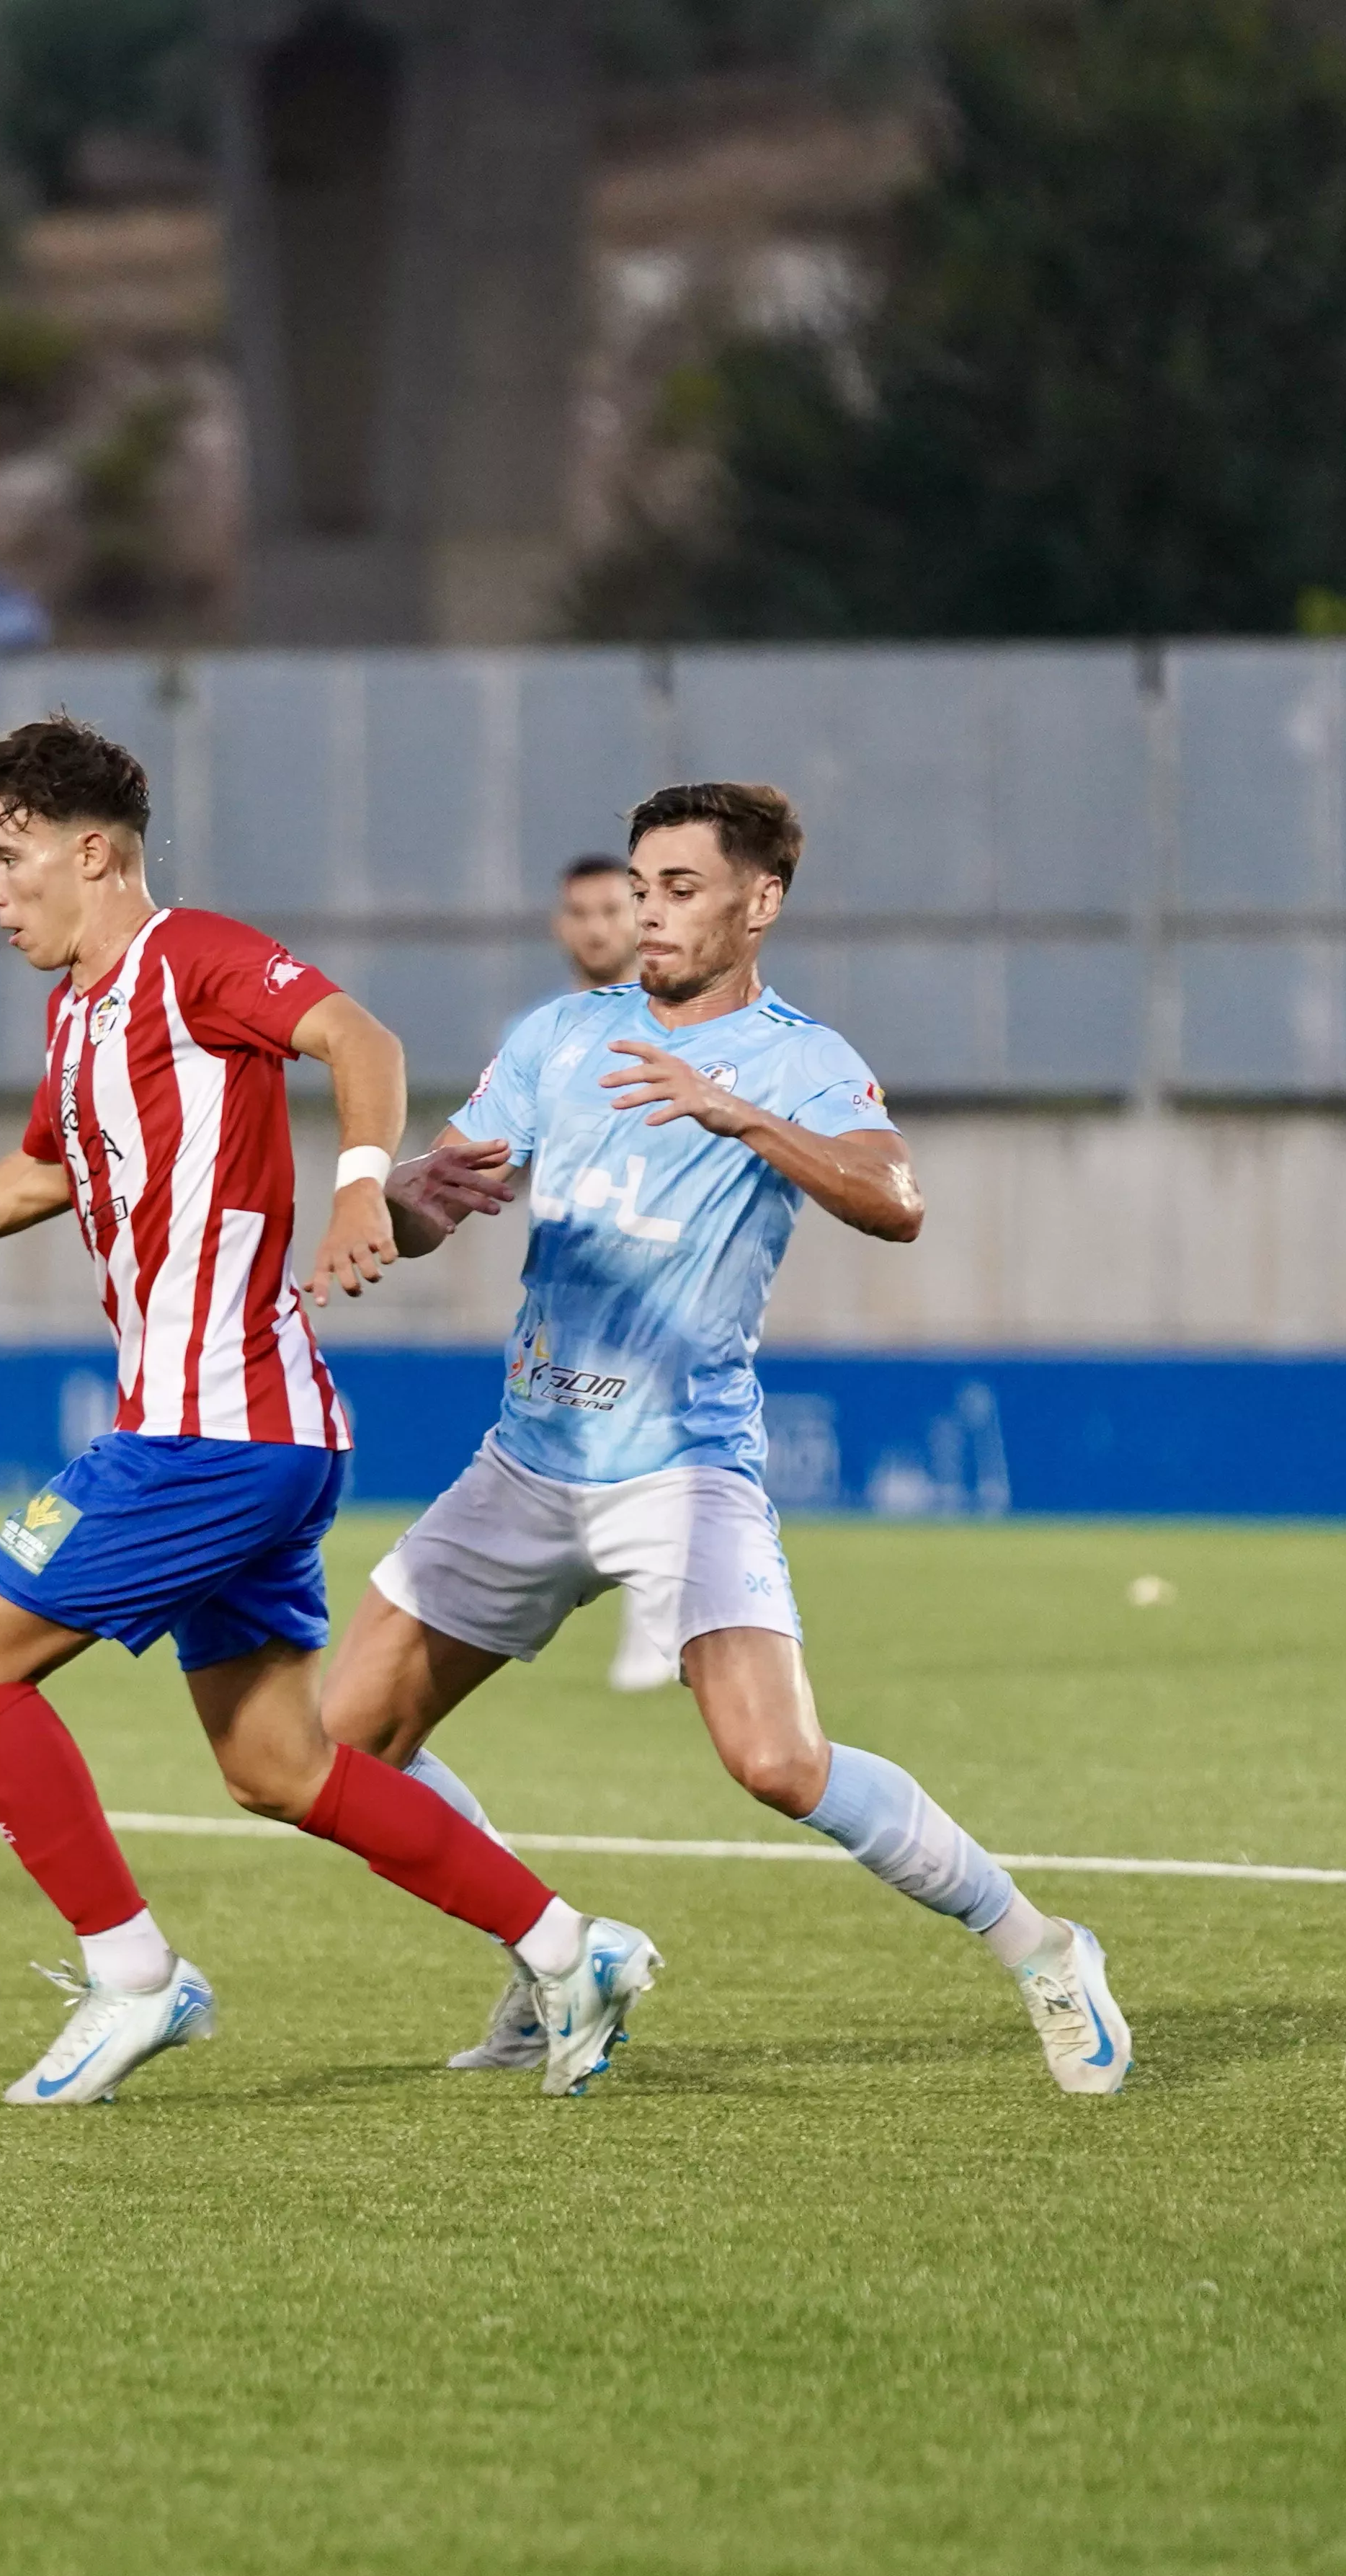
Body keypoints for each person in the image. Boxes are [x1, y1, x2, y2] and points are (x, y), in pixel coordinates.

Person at [0, 715, 659, 2103]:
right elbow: (37, 1178)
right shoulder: (77, 1014)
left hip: (210, 1433)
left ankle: (133, 1977)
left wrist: (362, 1177)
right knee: (278, 1766)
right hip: (248, 1435)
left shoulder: (193, 960)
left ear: (93, 851)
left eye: (8, 858)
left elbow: (358, 1032)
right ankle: (568, 1949)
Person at [326, 782, 1133, 2095]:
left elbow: (897, 1200)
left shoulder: (803, 1061)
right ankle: (553, 1957)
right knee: (341, 1750)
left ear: (761, 904)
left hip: (681, 1467)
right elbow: (441, 1203)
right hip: (528, 1458)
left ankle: (1042, 1946)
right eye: (642, 889)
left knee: (776, 1762)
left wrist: (738, 1114)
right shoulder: (561, 1037)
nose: (651, 914)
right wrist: (414, 1201)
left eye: (682, 889)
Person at [545, 847, 677, 1689]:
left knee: (656, 1426)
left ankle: (660, 1611)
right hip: (570, 1273)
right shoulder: (553, 1034)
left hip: (659, 1263)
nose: (597, 928)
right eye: (581, 914)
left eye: (611, 910)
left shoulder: (672, 1026)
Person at [552, 848, 642, 993]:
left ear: (641, 917)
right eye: (578, 913)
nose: (595, 930)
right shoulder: (540, 1016)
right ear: (558, 925)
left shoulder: (677, 1013)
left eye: (611, 911)